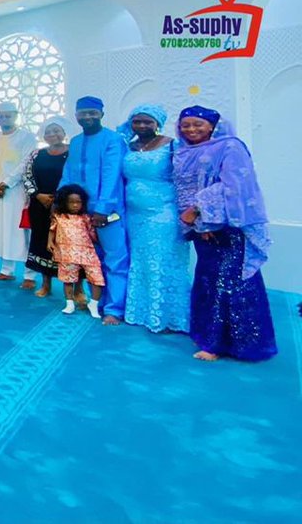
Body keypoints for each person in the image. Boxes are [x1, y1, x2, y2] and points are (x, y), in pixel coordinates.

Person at [173, 106, 276, 362]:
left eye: (198, 124)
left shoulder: (230, 147)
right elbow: (182, 189)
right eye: (185, 124)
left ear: (212, 126)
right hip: (202, 228)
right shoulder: (183, 151)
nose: (191, 129)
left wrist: (203, 214)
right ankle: (211, 336)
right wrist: (199, 224)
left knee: (229, 282)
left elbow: (235, 186)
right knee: (208, 280)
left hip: (227, 227)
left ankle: (220, 345)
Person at [120, 105, 191, 333]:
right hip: (134, 215)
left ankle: (168, 316)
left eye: (147, 122)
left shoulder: (172, 145)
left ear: (157, 123)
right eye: (137, 121)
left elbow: (185, 179)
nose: (141, 126)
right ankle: (141, 312)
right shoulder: (128, 146)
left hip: (163, 213)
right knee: (139, 261)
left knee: (162, 261)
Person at [58, 96, 128, 325]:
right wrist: (61, 201)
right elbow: (68, 172)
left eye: (93, 113)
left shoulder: (113, 140)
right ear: (76, 115)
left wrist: (103, 208)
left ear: (101, 114)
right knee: (91, 260)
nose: (88, 117)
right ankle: (96, 302)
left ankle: (114, 309)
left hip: (107, 212)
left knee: (114, 259)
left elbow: (112, 174)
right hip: (80, 213)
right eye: (83, 113)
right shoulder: (76, 141)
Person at [0, 102, 39, 285]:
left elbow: (26, 163)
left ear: (16, 115)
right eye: (0, 116)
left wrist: (6, 183)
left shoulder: (27, 137)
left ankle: (29, 275)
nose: (3, 119)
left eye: (7, 116)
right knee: (2, 230)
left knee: (22, 232)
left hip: (17, 191)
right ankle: (6, 270)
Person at [22, 117, 71, 298]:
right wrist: (37, 195)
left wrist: (60, 199)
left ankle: (76, 289)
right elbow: (26, 176)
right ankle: (45, 284)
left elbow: (77, 176)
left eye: (56, 130)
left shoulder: (73, 152)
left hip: (66, 207)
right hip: (40, 205)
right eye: (48, 132)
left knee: (68, 245)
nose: (52, 135)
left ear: (64, 132)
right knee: (42, 242)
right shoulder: (37, 154)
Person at [49, 185, 105, 319]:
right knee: (68, 279)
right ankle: (69, 303)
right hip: (67, 253)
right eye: (71, 202)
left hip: (87, 252)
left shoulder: (85, 218)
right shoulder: (59, 217)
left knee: (97, 278)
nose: (75, 205)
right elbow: (52, 230)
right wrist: (50, 242)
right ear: (64, 202)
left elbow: (92, 234)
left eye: (78, 202)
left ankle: (94, 303)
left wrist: (100, 242)